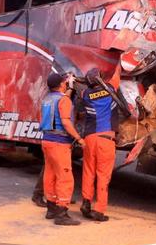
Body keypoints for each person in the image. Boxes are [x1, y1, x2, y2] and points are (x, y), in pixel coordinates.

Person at [39, 73, 83, 226]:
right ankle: (62, 213)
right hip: (60, 144)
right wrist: (78, 138)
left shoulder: (47, 99)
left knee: (50, 175)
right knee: (65, 177)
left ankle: (51, 209)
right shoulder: (63, 100)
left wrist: (69, 89)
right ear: (62, 84)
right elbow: (65, 121)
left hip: (46, 141)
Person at [79, 66, 121, 222]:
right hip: (106, 139)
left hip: (89, 138)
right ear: (101, 79)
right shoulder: (110, 88)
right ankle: (99, 211)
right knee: (103, 176)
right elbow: (118, 73)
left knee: (88, 172)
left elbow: (80, 90)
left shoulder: (85, 95)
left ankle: (86, 203)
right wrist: (120, 59)